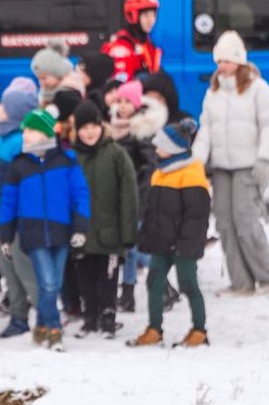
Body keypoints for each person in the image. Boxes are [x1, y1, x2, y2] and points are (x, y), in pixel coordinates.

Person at [190, 31, 269, 297]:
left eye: (227, 61)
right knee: (225, 224)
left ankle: (267, 276)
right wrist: (197, 161)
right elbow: (205, 129)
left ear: (240, 61)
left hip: (248, 166)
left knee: (246, 222)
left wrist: (265, 159)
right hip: (221, 168)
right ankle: (240, 281)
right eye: (218, 61)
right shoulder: (213, 92)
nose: (222, 66)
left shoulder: (257, 88)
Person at [0, 108, 90, 352]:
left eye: (30, 129)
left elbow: (80, 195)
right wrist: (6, 235)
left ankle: (40, 327)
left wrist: (81, 226)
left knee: (53, 283)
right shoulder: (19, 165)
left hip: (62, 232)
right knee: (48, 283)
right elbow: (8, 202)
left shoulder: (66, 160)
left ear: (43, 132)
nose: (25, 133)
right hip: (32, 233)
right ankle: (55, 329)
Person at [128, 119, 211, 348]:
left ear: (175, 149)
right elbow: (154, 212)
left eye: (161, 146)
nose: (156, 150)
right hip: (162, 244)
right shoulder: (160, 173)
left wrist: (187, 246)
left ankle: (199, 329)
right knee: (154, 283)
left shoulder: (192, 174)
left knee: (189, 285)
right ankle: (154, 328)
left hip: (183, 246)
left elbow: (196, 217)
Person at [72, 101, 138, 338]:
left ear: (101, 126)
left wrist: (128, 233)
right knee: (86, 278)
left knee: (108, 278)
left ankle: (108, 318)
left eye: (93, 126)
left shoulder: (116, 154)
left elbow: (129, 195)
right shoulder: (72, 156)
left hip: (110, 233)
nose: (89, 132)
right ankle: (90, 317)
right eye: (84, 127)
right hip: (82, 233)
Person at [0, 77, 40, 338]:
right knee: (9, 272)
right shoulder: (4, 139)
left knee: (25, 271)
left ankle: (46, 318)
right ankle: (18, 317)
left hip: (17, 222)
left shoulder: (20, 142)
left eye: (4, 107)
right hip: (0, 219)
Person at [106, 79, 165, 312]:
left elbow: (148, 169)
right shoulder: (115, 128)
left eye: (127, 101)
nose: (122, 106)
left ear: (137, 104)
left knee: (134, 249)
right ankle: (128, 292)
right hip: (120, 199)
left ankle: (162, 287)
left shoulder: (141, 131)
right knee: (129, 249)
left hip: (137, 199)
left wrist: (139, 199)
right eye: (119, 101)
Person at [102, 0, 162, 83]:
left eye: (153, 15)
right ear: (133, 16)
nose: (151, 20)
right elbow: (121, 85)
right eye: (146, 15)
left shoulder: (145, 43)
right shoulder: (121, 48)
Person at [30, 39, 73, 107]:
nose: (41, 83)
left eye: (44, 78)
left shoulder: (70, 96)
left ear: (58, 74)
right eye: (39, 79)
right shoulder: (44, 94)